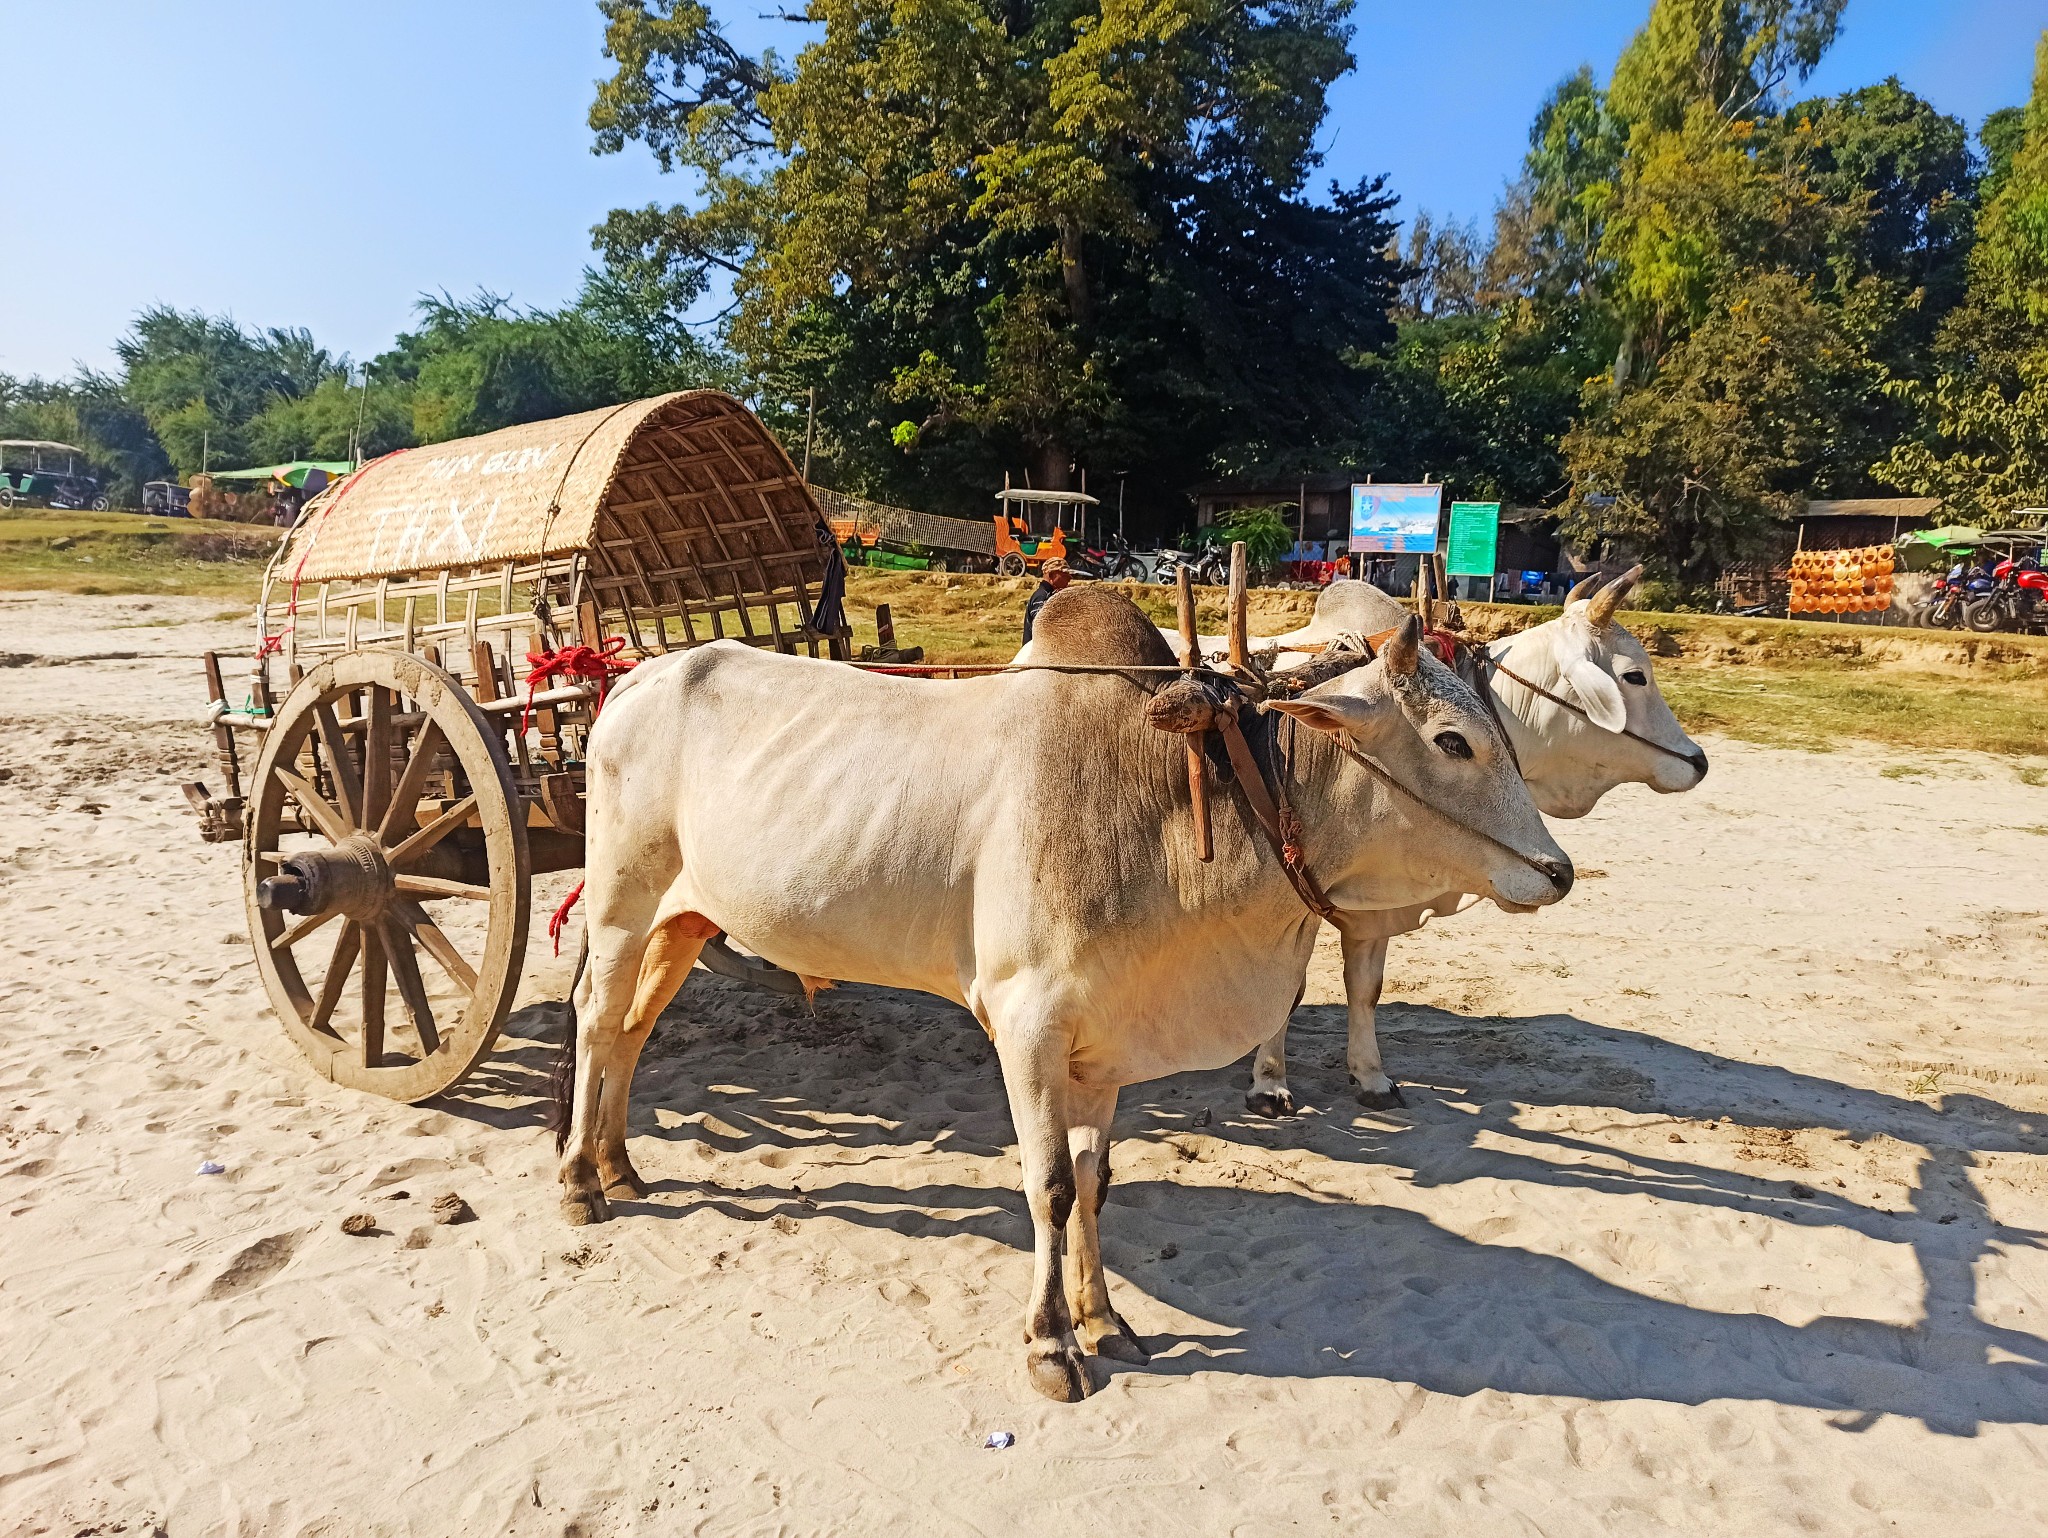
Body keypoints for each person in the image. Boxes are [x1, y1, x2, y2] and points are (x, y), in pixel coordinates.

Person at [1022, 558, 1072, 643]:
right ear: (1051, 575)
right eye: (1064, 575)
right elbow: (1041, 627)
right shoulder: (1041, 597)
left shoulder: (1050, 595)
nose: (1069, 579)